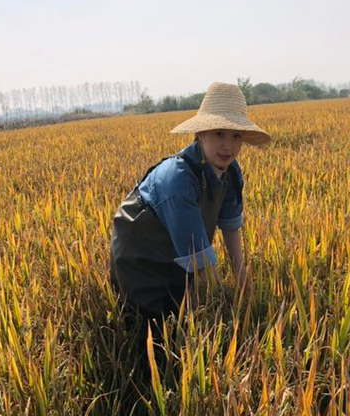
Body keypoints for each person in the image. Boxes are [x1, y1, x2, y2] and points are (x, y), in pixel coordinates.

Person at [109, 81, 272, 378]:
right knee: (154, 335)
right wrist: (215, 310)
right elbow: (198, 259)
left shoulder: (231, 173)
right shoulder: (178, 179)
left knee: (186, 315)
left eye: (236, 136)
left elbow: (230, 226)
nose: (228, 145)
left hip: (178, 253)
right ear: (200, 134)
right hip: (140, 256)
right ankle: (151, 384)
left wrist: (241, 278)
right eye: (219, 134)